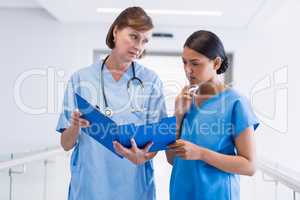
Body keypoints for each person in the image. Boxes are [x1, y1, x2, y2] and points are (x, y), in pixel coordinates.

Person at [56, 7, 167, 200]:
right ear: (116, 31)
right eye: (133, 37)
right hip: (91, 184)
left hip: (133, 185)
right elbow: (66, 144)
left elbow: (158, 139)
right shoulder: (81, 79)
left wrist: (144, 156)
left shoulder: (151, 81)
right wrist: (74, 126)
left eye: (144, 41)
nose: (139, 46)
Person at [166, 30, 259, 200]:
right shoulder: (185, 101)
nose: (188, 70)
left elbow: (249, 166)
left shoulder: (236, 102)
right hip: (181, 193)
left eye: (195, 63)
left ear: (216, 63)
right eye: (184, 62)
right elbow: (172, 159)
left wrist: (201, 153)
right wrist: (178, 116)